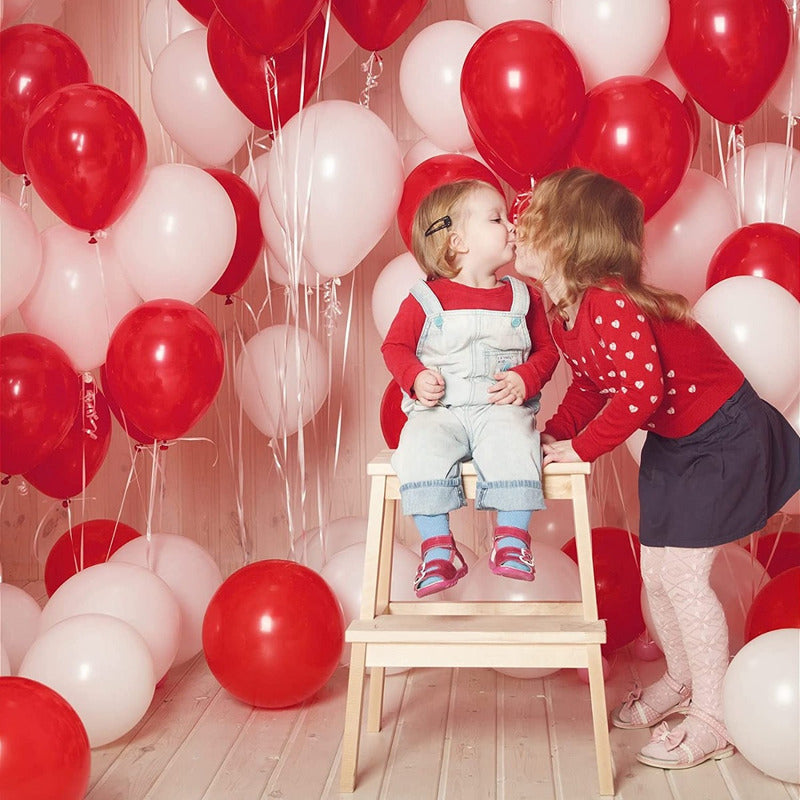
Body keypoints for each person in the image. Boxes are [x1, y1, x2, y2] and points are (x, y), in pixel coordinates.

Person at [513, 166, 800, 769]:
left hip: (722, 437)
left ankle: (715, 716)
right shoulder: (561, 308)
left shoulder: (609, 302)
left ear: (570, 238)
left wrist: (584, 449)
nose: (516, 227)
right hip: (677, 443)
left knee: (686, 578)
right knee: (657, 573)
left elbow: (639, 392)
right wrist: (553, 436)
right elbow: (592, 386)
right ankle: (684, 677)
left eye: (530, 220)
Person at [382, 179, 559, 598]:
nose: (513, 227)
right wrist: (414, 377)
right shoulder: (426, 298)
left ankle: (512, 539)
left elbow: (548, 352)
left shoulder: (523, 297)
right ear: (457, 241)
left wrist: (526, 377)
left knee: (517, 440)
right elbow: (395, 346)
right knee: (418, 447)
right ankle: (437, 547)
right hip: (441, 411)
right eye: (498, 219)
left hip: (498, 408)